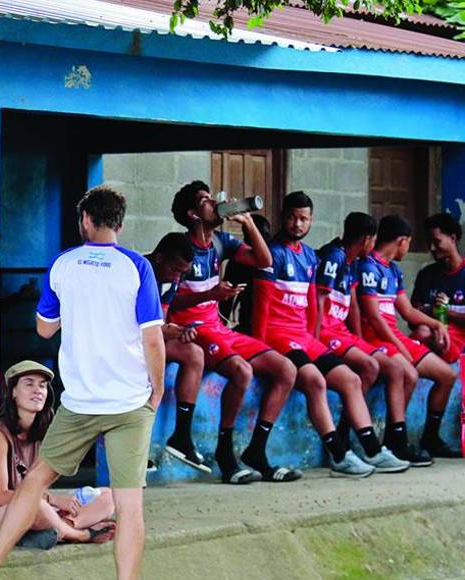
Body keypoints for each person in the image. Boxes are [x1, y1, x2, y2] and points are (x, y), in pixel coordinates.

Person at [0, 186, 164, 580]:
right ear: (119, 224)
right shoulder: (138, 267)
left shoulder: (63, 265)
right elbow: (152, 337)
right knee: (130, 506)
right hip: (129, 401)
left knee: (36, 480)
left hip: (81, 400)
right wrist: (157, 390)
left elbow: (45, 329)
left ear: (84, 221)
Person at [252, 193, 408, 476]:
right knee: (314, 380)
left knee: (350, 379)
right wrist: (260, 344)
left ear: (311, 220)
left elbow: (312, 303)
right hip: (277, 335)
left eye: (304, 218)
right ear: (282, 216)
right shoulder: (271, 253)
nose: (297, 224)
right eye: (292, 217)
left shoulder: (311, 256)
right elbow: (261, 304)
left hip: (304, 337)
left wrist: (313, 338)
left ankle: (372, 450)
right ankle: (338, 455)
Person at [167, 181, 299, 483]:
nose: (214, 202)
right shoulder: (180, 247)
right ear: (192, 213)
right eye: (205, 200)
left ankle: (257, 451)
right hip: (194, 329)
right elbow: (170, 300)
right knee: (241, 371)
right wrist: (210, 295)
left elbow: (264, 260)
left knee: (286, 370)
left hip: (218, 327)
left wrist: (248, 222)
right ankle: (225, 454)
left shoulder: (220, 242)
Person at [0, 360, 116, 548]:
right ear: (13, 392)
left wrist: (63, 504)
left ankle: (54, 531)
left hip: (29, 510)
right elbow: (0, 497)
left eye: (42, 385)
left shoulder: (39, 437)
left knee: (108, 496)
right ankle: (80, 534)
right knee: (38, 506)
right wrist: (54, 500)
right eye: (29, 383)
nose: (37, 390)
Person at [316, 213, 427, 465]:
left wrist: (357, 338)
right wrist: (314, 341)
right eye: (373, 239)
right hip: (327, 333)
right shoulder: (334, 256)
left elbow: (353, 306)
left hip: (344, 335)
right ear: (367, 239)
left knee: (390, 369)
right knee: (371, 366)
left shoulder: (353, 261)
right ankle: (362, 445)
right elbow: (318, 301)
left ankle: (369, 439)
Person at [356, 214, 461, 459]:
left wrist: (437, 324)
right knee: (408, 374)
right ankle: (397, 440)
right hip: (376, 339)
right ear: (402, 241)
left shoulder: (394, 270)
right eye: (410, 243)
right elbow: (374, 319)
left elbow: (408, 311)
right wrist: (400, 347)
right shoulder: (368, 266)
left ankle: (430, 438)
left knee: (447, 375)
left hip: (393, 337)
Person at [146, 233, 209, 473]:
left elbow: (158, 324)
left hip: (150, 341)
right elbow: (129, 327)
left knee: (194, 353)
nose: (178, 276)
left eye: (183, 272)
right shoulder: (138, 274)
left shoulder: (170, 279)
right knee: (145, 365)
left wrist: (175, 332)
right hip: (124, 346)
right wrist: (162, 331)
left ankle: (181, 437)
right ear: (159, 258)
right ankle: (136, 452)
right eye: (175, 269)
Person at [411, 213, 465, 366]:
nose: (431, 248)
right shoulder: (426, 275)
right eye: (429, 242)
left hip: (460, 351)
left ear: (453, 239)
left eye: (436, 241)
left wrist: (446, 312)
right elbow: (412, 316)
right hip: (431, 344)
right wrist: (433, 313)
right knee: (422, 331)